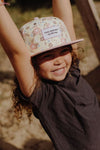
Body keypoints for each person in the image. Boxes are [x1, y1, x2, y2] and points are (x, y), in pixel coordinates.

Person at [0, 1, 100, 150]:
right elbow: (16, 52)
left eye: (63, 51)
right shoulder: (42, 93)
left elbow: (66, 22)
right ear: (33, 63)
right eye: (47, 56)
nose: (58, 60)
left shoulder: (72, 72)